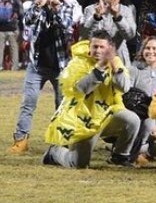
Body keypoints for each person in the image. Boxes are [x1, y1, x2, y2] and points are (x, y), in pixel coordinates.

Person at [42, 31, 140, 168]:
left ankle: (120, 156)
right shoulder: (78, 63)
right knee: (79, 164)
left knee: (132, 120)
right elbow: (81, 89)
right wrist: (100, 68)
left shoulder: (116, 61)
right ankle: (54, 152)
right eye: (95, 46)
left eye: (102, 47)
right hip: (82, 119)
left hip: (106, 114)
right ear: (89, 47)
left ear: (109, 48)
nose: (98, 50)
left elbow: (125, 87)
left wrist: (115, 68)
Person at [9, 0, 74, 154]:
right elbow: (26, 21)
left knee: (62, 105)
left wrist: (56, 8)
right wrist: (38, 7)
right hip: (36, 65)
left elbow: (66, 27)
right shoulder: (35, 6)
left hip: (60, 66)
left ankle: (61, 141)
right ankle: (21, 140)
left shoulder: (67, 7)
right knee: (28, 102)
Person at [126, 36, 156, 164]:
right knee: (148, 123)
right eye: (147, 48)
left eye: (154, 48)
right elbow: (128, 95)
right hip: (140, 116)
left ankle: (149, 150)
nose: (151, 51)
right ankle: (137, 152)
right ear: (142, 51)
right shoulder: (134, 70)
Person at [0, 0, 23, 71]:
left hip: (1, 29)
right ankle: (15, 67)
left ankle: (0, 66)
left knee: (0, 48)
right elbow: (21, 13)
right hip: (13, 28)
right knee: (14, 48)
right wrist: (20, 27)